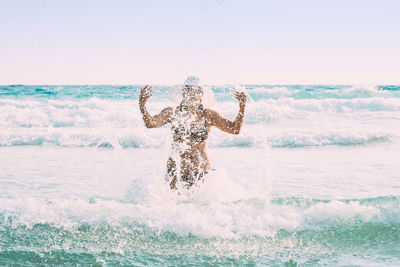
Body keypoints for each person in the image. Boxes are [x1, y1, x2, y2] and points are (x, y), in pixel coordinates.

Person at [139, 77, 247, 190]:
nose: (192, 93)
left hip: (201, 171)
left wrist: (242, 107)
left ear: (202, 95)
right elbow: (150, 123)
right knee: (173, 206)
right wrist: (142, 106)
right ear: (183, 93)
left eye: (197, 90)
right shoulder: (172, 112)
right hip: (175, 171)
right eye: (188, 90)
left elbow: (234, 129)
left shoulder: (209, 115)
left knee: (200, 207)